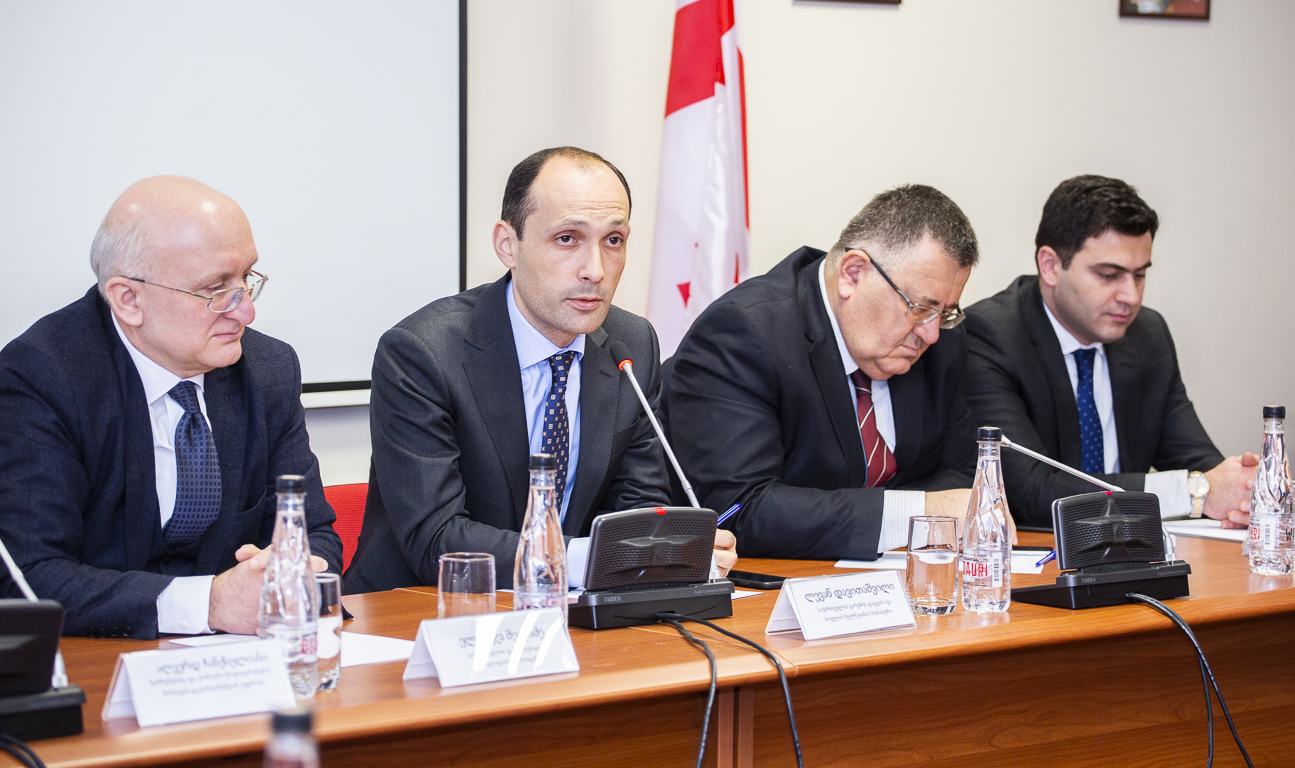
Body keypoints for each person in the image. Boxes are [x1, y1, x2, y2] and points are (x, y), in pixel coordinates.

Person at [344, 146, 737, 593]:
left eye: (613, 240)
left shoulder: (631, 345)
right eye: (567, 238)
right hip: (417, 608)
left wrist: (670, 553)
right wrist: (586, 559)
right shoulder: (423, 353)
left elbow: (638, 504)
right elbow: (436, 539)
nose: (595, 270)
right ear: (507, 245)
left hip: (565, 609)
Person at [0, 176, 341, 639]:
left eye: (246, 278)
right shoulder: (43, 376)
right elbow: (28, 575)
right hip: (96, 657)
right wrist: (209, 604)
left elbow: (316, 533)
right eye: (215, 289)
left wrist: (288, 573)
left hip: (243, 658)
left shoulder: (268, 368)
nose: (246, 311)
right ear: (129, 300)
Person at [662, 184, 1007, 562]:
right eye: (921, 308)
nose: (932, 333)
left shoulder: (939, 344)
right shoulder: (744, 333)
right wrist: (916, 514)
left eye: (945, 313)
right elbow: (739, 510)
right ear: (852, 273)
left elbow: (964, 473)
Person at [963, 175, 1256, 528]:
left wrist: (1240, 487)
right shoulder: (991, 336)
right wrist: (1195, 492)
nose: (1131, 297)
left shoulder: (1147, 334)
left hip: (1134, 548)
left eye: (1139, 275)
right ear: (1050, 266)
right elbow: (1029, 489)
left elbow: (1196, 460)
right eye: (1108, 275)